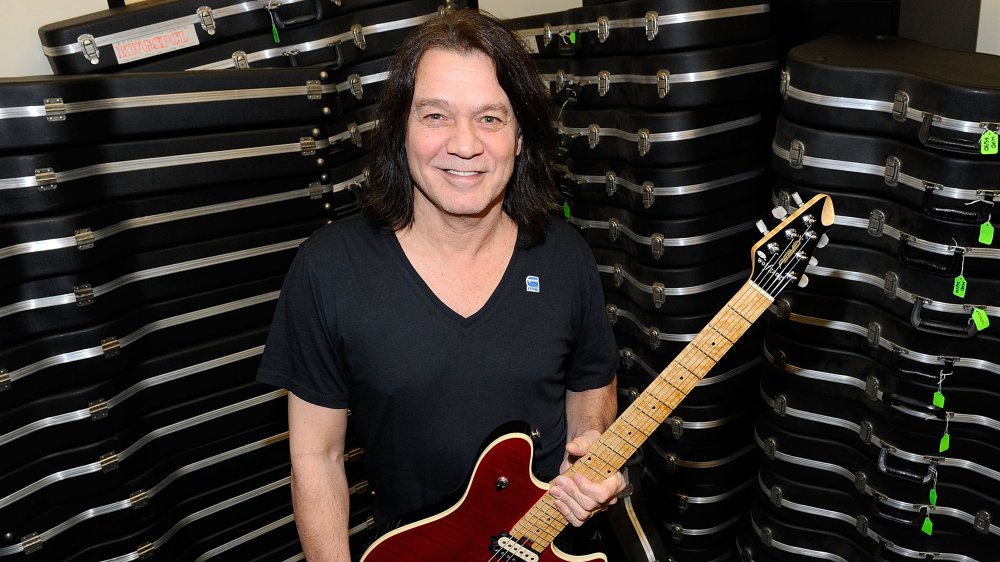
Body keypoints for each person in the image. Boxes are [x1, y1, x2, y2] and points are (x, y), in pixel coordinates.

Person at [257, 8, 626, 561]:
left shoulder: (565, 255)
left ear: (521, 136)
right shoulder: (328, 270)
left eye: (490, 118)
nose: (465, 145)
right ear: (400, 128)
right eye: (435, 116)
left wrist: (593, 450)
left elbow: (591, 386)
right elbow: (317, 459)